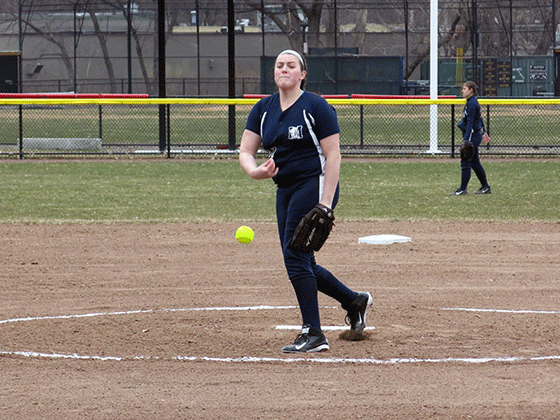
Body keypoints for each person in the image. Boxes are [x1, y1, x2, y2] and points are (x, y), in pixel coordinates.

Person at [239, 50, 372, 353]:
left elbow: (333, 154)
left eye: (291, 65)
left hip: (316, 183)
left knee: (294, 254)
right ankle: (353, 300)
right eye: (279, 65)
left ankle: (313, 332)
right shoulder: (263, 109)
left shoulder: (315, 106)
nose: (284, 69)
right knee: (302, 258)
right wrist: (255, 171)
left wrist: (326, 202)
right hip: (284, 188)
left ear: (302, 74)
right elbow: (246, 150)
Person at [450, 81, 491, 195]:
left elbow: (471, 122)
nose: (462, 91)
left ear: (471, 90)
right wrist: (483, 131)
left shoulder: (472, 103)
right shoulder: (471, 102)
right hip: (474, 135)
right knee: (475, 163)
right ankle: (485, 187)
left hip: (472, 136)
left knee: (466, 162)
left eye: (464, 89)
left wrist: (466, 140)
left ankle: (463, 189)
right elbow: (479, 119)